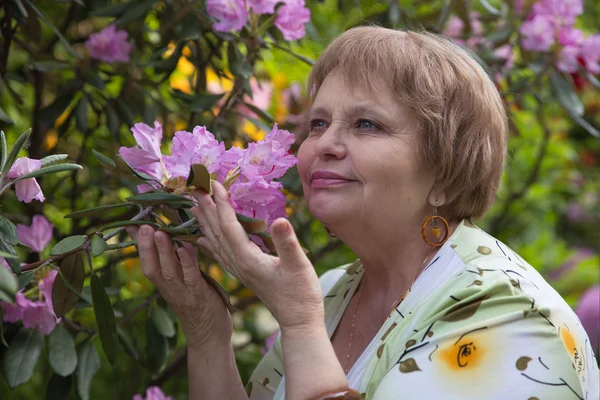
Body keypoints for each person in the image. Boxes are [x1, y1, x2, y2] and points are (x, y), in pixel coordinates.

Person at [129, 27, 599, 400]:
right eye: (318, 123)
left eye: (366, 124)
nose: (324, 145)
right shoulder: (332, 291)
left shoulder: (507, 312)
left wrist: (298, 323)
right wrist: (208, 333)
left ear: (445, 172)